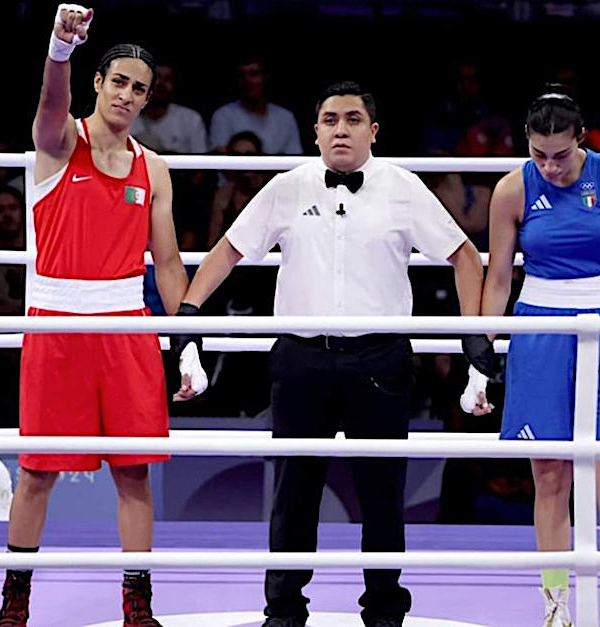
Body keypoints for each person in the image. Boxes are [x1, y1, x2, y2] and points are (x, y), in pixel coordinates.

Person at [174, 80, 495, 627]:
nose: (340, 128)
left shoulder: (403, 187)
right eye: (330, 119)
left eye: (351, 119)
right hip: (302, 357)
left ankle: (385, 612)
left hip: (382, 359)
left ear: (373, 130)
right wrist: (187, 319)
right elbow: (228, 249)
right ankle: (282, 612)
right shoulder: (288, 186)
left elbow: (465, 256)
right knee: (294, 493)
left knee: (382, 495)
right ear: (315, 129)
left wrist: (474, 337)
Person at [0, 6, 206, 627]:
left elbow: (166, 263)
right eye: (119, 81)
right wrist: (60, 47)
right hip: (57, 323)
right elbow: (48, 108)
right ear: (98, 82)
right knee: (36, 474)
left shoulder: (154, 167)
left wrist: (184, 342)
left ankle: (137, 607)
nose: (129, 95)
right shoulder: (60, 144)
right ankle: (15, 602)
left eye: (140, 87)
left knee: (134, 474)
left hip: (127, 325)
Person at [481, 88, 600, 626]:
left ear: (581, 140)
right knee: (549, 478)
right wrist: (483, 350)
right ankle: (554, 606)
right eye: (539, 154)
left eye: (560, 156)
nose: (550, 166)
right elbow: (498, 276)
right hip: (538, 328)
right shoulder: (510, 189)